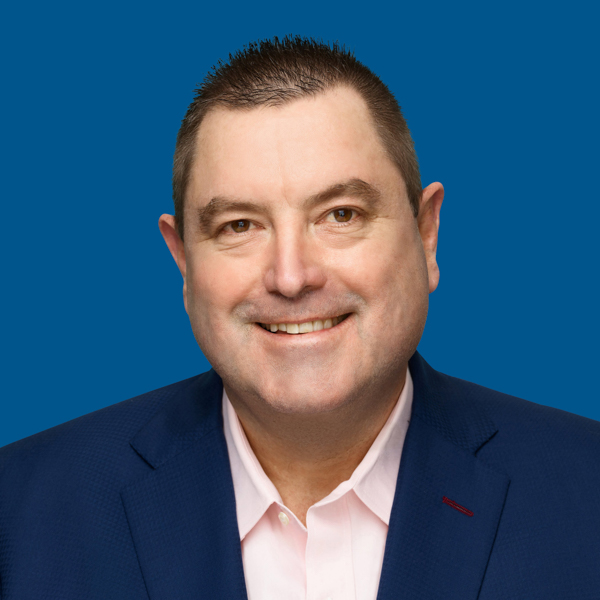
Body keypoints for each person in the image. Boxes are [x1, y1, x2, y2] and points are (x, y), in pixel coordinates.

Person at [0, 35, 598, 600]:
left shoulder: (585, 492)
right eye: (239, 225)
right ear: (182, 263)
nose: (291, 276)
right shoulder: (20, 510)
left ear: (427, 235)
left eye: (341, 215)